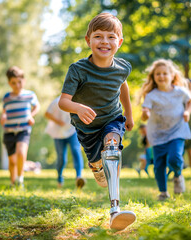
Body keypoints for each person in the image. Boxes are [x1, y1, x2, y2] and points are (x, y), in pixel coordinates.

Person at [58, 13, 136, 230]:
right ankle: (97, 167)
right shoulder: (78, 70)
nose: (104, 41)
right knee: (99, 163)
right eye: (98, 36)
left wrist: (129, 115)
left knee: (112, 148)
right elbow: (63, 102)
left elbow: (123, 86)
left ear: (119, 42)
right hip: (87, 129)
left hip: (112, 118)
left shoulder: (123, 67)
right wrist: (78, 108)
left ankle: (115, 211)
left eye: (111, 37)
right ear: (88, 40)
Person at [140, 59, 191, 201]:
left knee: (175, 158)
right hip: (157, 134)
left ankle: (177, 175)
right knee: (159, 165)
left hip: (177, 130)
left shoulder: (180, 92)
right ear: (153, 77)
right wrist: (145, 114)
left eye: (165, 73)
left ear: (172, 75)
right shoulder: (151, 95)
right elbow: (145, 110)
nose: (161, 76)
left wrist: (187, 112)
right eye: (158, 74)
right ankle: (163, 192)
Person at [0, 66, 40, 189]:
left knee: (21, 153)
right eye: (13, 83)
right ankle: (13, 183)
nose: (17, 85)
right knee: (12, 161)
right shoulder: (7, 97)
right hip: (9, 131)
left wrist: (31, 116)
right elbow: (4, 111)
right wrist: (3, 116)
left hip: (24, 130)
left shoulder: (30, 95)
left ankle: (20, 180)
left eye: (19, 82)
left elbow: (37, 107)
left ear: (24, 81)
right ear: (9, 83)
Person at [44, 97, 85, 189]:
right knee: (62, 158)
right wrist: (58, 121)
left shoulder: (76, 100)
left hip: (72, 131)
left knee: (76, 150)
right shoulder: (56, 102)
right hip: (58, 133)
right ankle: (59, 179)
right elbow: (47, 114)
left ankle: (79, 177)